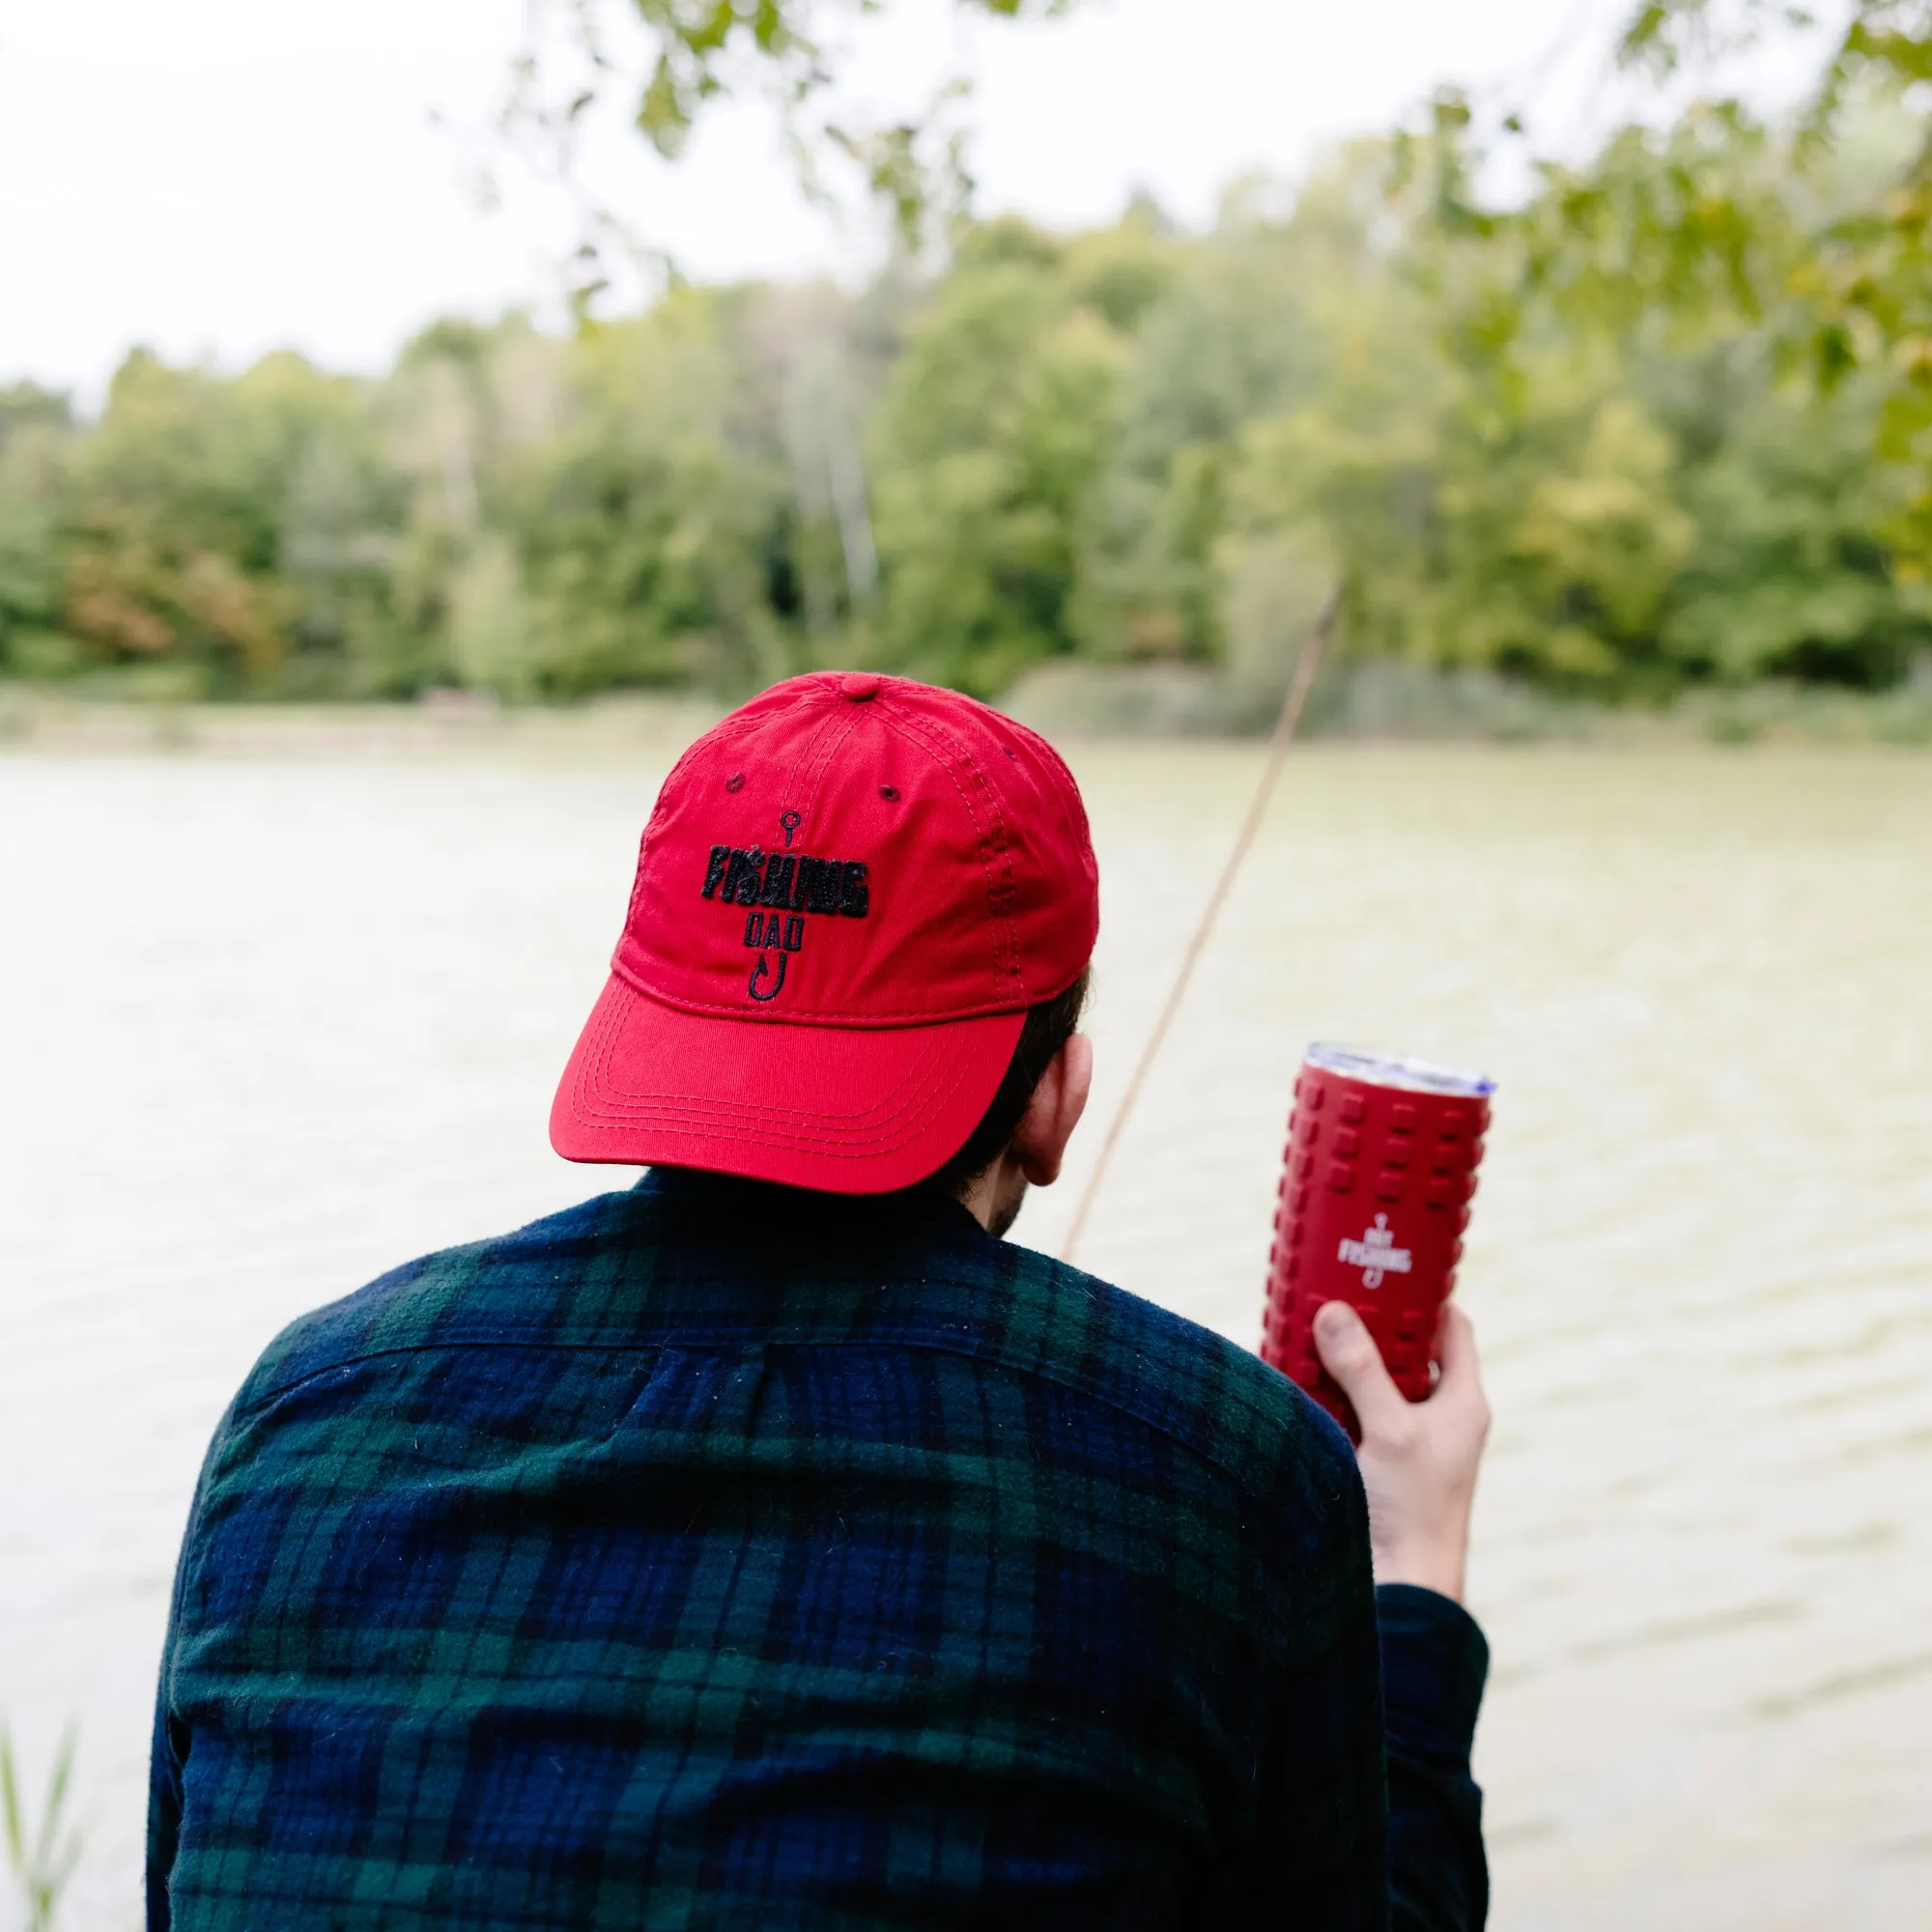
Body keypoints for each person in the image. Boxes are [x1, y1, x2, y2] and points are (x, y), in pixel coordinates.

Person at [148, 672, 1492, 1931]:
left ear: (640, 1024)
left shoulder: (303, 1414)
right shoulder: (1234, 1473)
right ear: (1054, 1101)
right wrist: (1415, 1573)